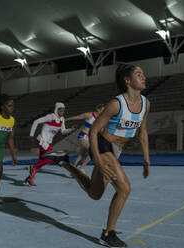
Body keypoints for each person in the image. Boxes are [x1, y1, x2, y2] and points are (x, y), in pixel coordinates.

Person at [46, 63, 151, 248]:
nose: (143, 77)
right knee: (124, 189)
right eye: (138, 74)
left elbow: (143, 132)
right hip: (103, 145)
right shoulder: (116, 103)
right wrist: (99, 161)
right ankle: (108, 234)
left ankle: (65, 163)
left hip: (116, 150)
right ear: (127, 80)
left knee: (95, 193)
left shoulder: (145, 104)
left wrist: (146, 160)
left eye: (143, 74)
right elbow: (93, 131)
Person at [25, 102, 77, 186]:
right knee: (51, 157)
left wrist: (71, 129)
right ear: (56, 110)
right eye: (61, 111)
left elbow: (63, 131)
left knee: (41, 161)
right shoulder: (50, 117)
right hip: (41, 141)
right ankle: (33, 167)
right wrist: (31, 134)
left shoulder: (62, 119)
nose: (62, 113)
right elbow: (36, 121)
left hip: (48, 143)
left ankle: (30, 178)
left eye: (63, 111)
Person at [65, 104, 105, 174]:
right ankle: (82, 168)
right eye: (102, 110)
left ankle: (73, 171)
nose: (103, 112)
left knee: (81, 155)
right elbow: (77, 117)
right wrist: (65, 119)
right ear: (98, 110)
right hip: (83, 135)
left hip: (89, 138)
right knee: (92, 152)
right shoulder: (90, 115)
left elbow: (101, 131)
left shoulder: (100, 119)